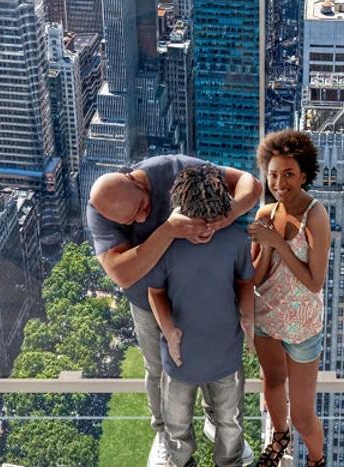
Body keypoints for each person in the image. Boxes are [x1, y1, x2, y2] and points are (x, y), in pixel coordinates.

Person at [87, 155, 261, 465]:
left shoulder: (174, 169)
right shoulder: (100, 211)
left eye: (142, 208)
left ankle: (216, 422)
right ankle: (165, 434)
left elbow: (251, 184)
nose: (140, 220)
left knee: (216, 360)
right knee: (159, 371)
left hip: (208, 293)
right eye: (129, 223)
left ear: (133, 179)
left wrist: (223, 217)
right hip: (149, 301)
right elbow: (122, 274)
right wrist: (168, 230)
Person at [148, 165, 255, 467]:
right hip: (180, 360)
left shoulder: (235, 240)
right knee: (177, 428)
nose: (206, 229)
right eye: (198, 221)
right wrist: (169, 332)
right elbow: (154, 293)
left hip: (226, 354)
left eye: (213, 221)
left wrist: (248, 317)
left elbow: (245, 282)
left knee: (230, 424)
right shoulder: (166, 244)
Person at [247, 130, 330, 467]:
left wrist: (279, 243)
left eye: (289, 174)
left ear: (305, 174)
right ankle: (278, 438)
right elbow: (256, 277)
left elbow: (314, 282)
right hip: (266, 317)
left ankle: (316, 459)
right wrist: (267, 243)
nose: (279, 183)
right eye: (273, 174)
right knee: (272, 385)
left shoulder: (316, 216)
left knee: (303, 415)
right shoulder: (265, 214)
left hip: (303, 325)